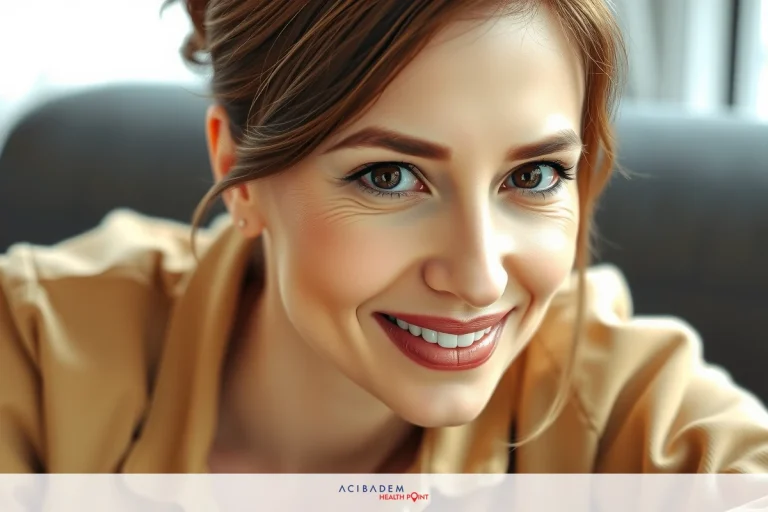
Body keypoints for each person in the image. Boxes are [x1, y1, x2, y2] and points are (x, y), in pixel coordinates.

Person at [1, 0, 768, 474]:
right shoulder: (36, 352)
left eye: (532, 178)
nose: (478, 279)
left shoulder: (634, 410)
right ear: (237, 171)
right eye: (390, 177)